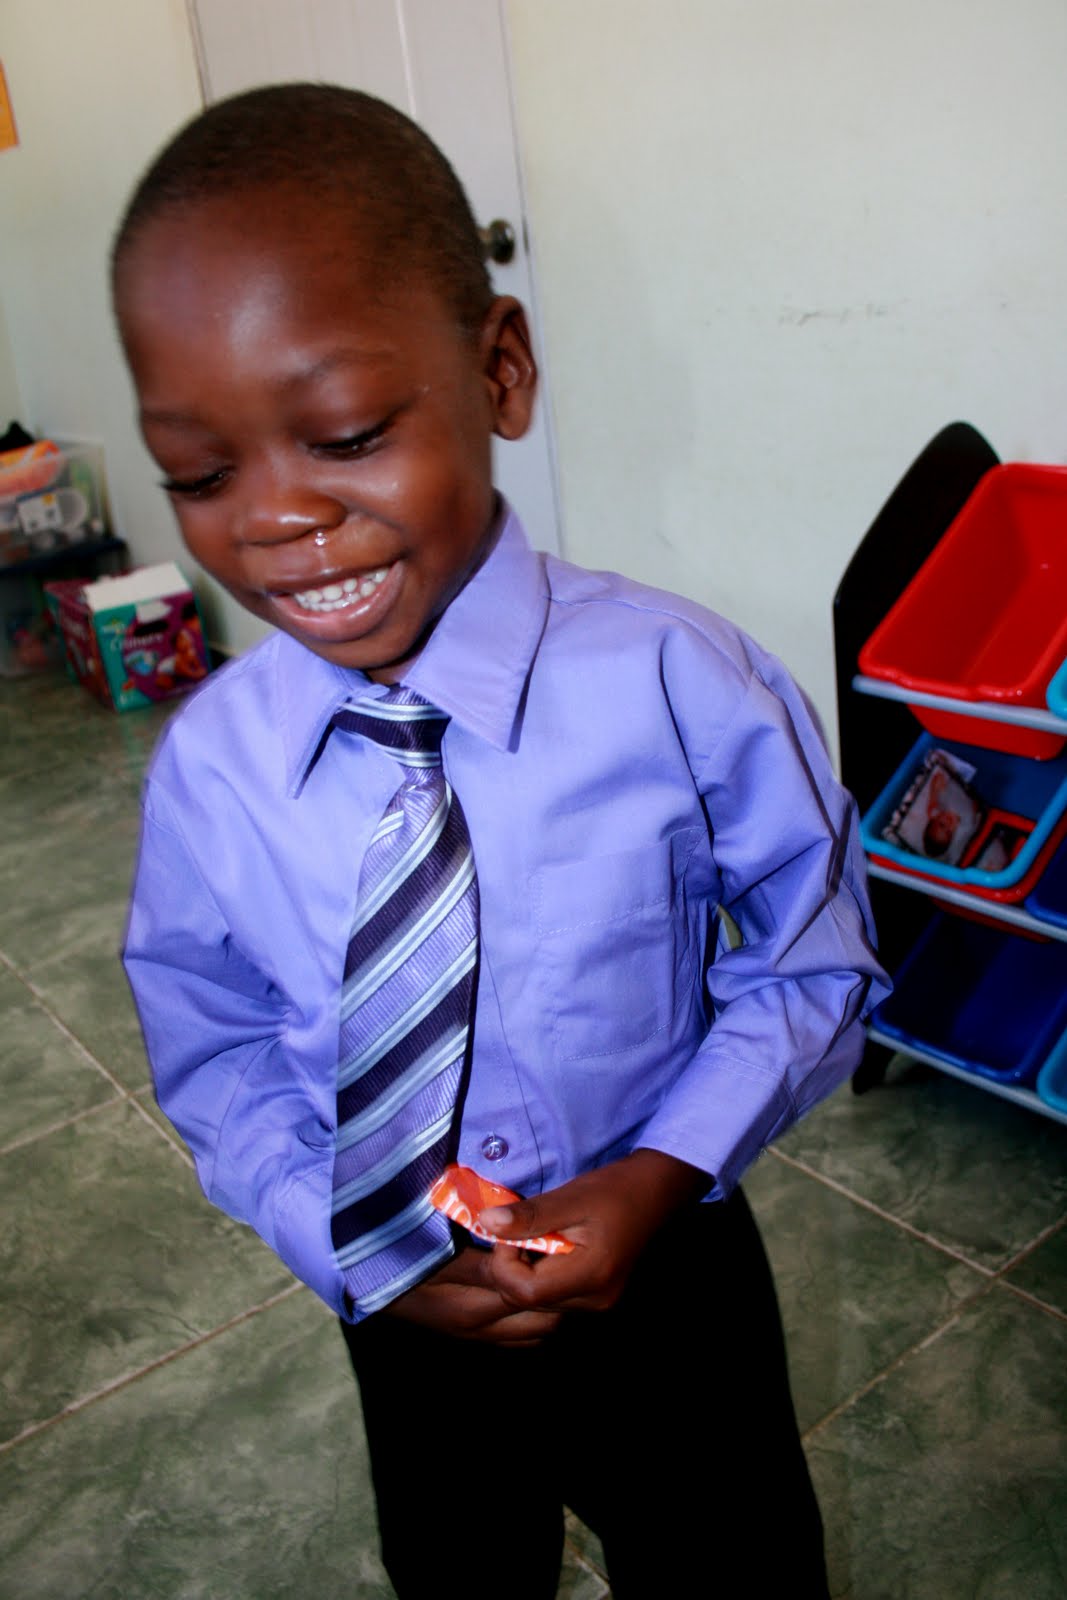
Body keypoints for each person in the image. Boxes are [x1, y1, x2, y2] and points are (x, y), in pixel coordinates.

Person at [115, 83, 888, 1599]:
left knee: (733, 1561)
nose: (273, 518)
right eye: (201, 474)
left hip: (668, 1270)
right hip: (400, 1303)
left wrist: (665, 1171)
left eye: (340, 433)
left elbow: (813, 961)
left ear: (500, 370)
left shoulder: (684, 681)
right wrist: (338, 1245)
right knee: (458, 1568)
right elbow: (214, 1051)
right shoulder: (211, 775)